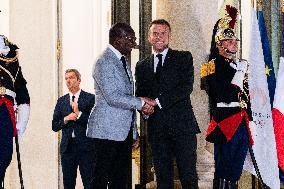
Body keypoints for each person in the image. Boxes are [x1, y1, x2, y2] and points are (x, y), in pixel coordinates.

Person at [86, 22, 154, 189]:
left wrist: (133, 132)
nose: (133, 43)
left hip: (122, 133)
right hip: (105, 132)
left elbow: (126, 98)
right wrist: (142, 102)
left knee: (120, 180)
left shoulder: (122, 61)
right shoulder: (104, 61)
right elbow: (113, 97)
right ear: (118, 39)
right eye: (130, 39)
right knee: (100, 180)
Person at [135, 19, 200, 189]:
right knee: (163, 179)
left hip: (183, 129)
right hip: (157, 131)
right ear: (149, 37)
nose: (159, 37)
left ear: (169, 36)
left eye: (163, 33)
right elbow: (140, 94)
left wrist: (155, 102)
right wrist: (145, 109)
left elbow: (185, 88)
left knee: (189, 177)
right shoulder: (141, 66)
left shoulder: (184, 57)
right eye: (155, 33)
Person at [200, 5, 254, 189]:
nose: (235, 44)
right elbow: (219, 92)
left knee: (237, 166)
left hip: (242, 120)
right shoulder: (210, 65)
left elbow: (246, 94)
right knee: (224, 165)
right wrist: (239, 73)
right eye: (230, 42)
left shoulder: (238, 65)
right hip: (225, 121)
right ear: (220, 45)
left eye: (235, 41)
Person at [52, 69, 95, 189]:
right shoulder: (61, 101)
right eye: (66, 78)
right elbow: (54, 125)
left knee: (89, 183)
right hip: (68, 149)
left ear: (79, 80)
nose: (68, 81)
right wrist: (66, 118)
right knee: (68, 184)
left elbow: (95, 123)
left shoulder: (90, 98)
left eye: (71, 78)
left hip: (86, 148)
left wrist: (79, 114)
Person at [0, 35, 30, 188]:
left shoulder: (9, 52)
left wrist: (23, 113)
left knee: (5, 155)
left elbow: (20, 87)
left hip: (5, 110)